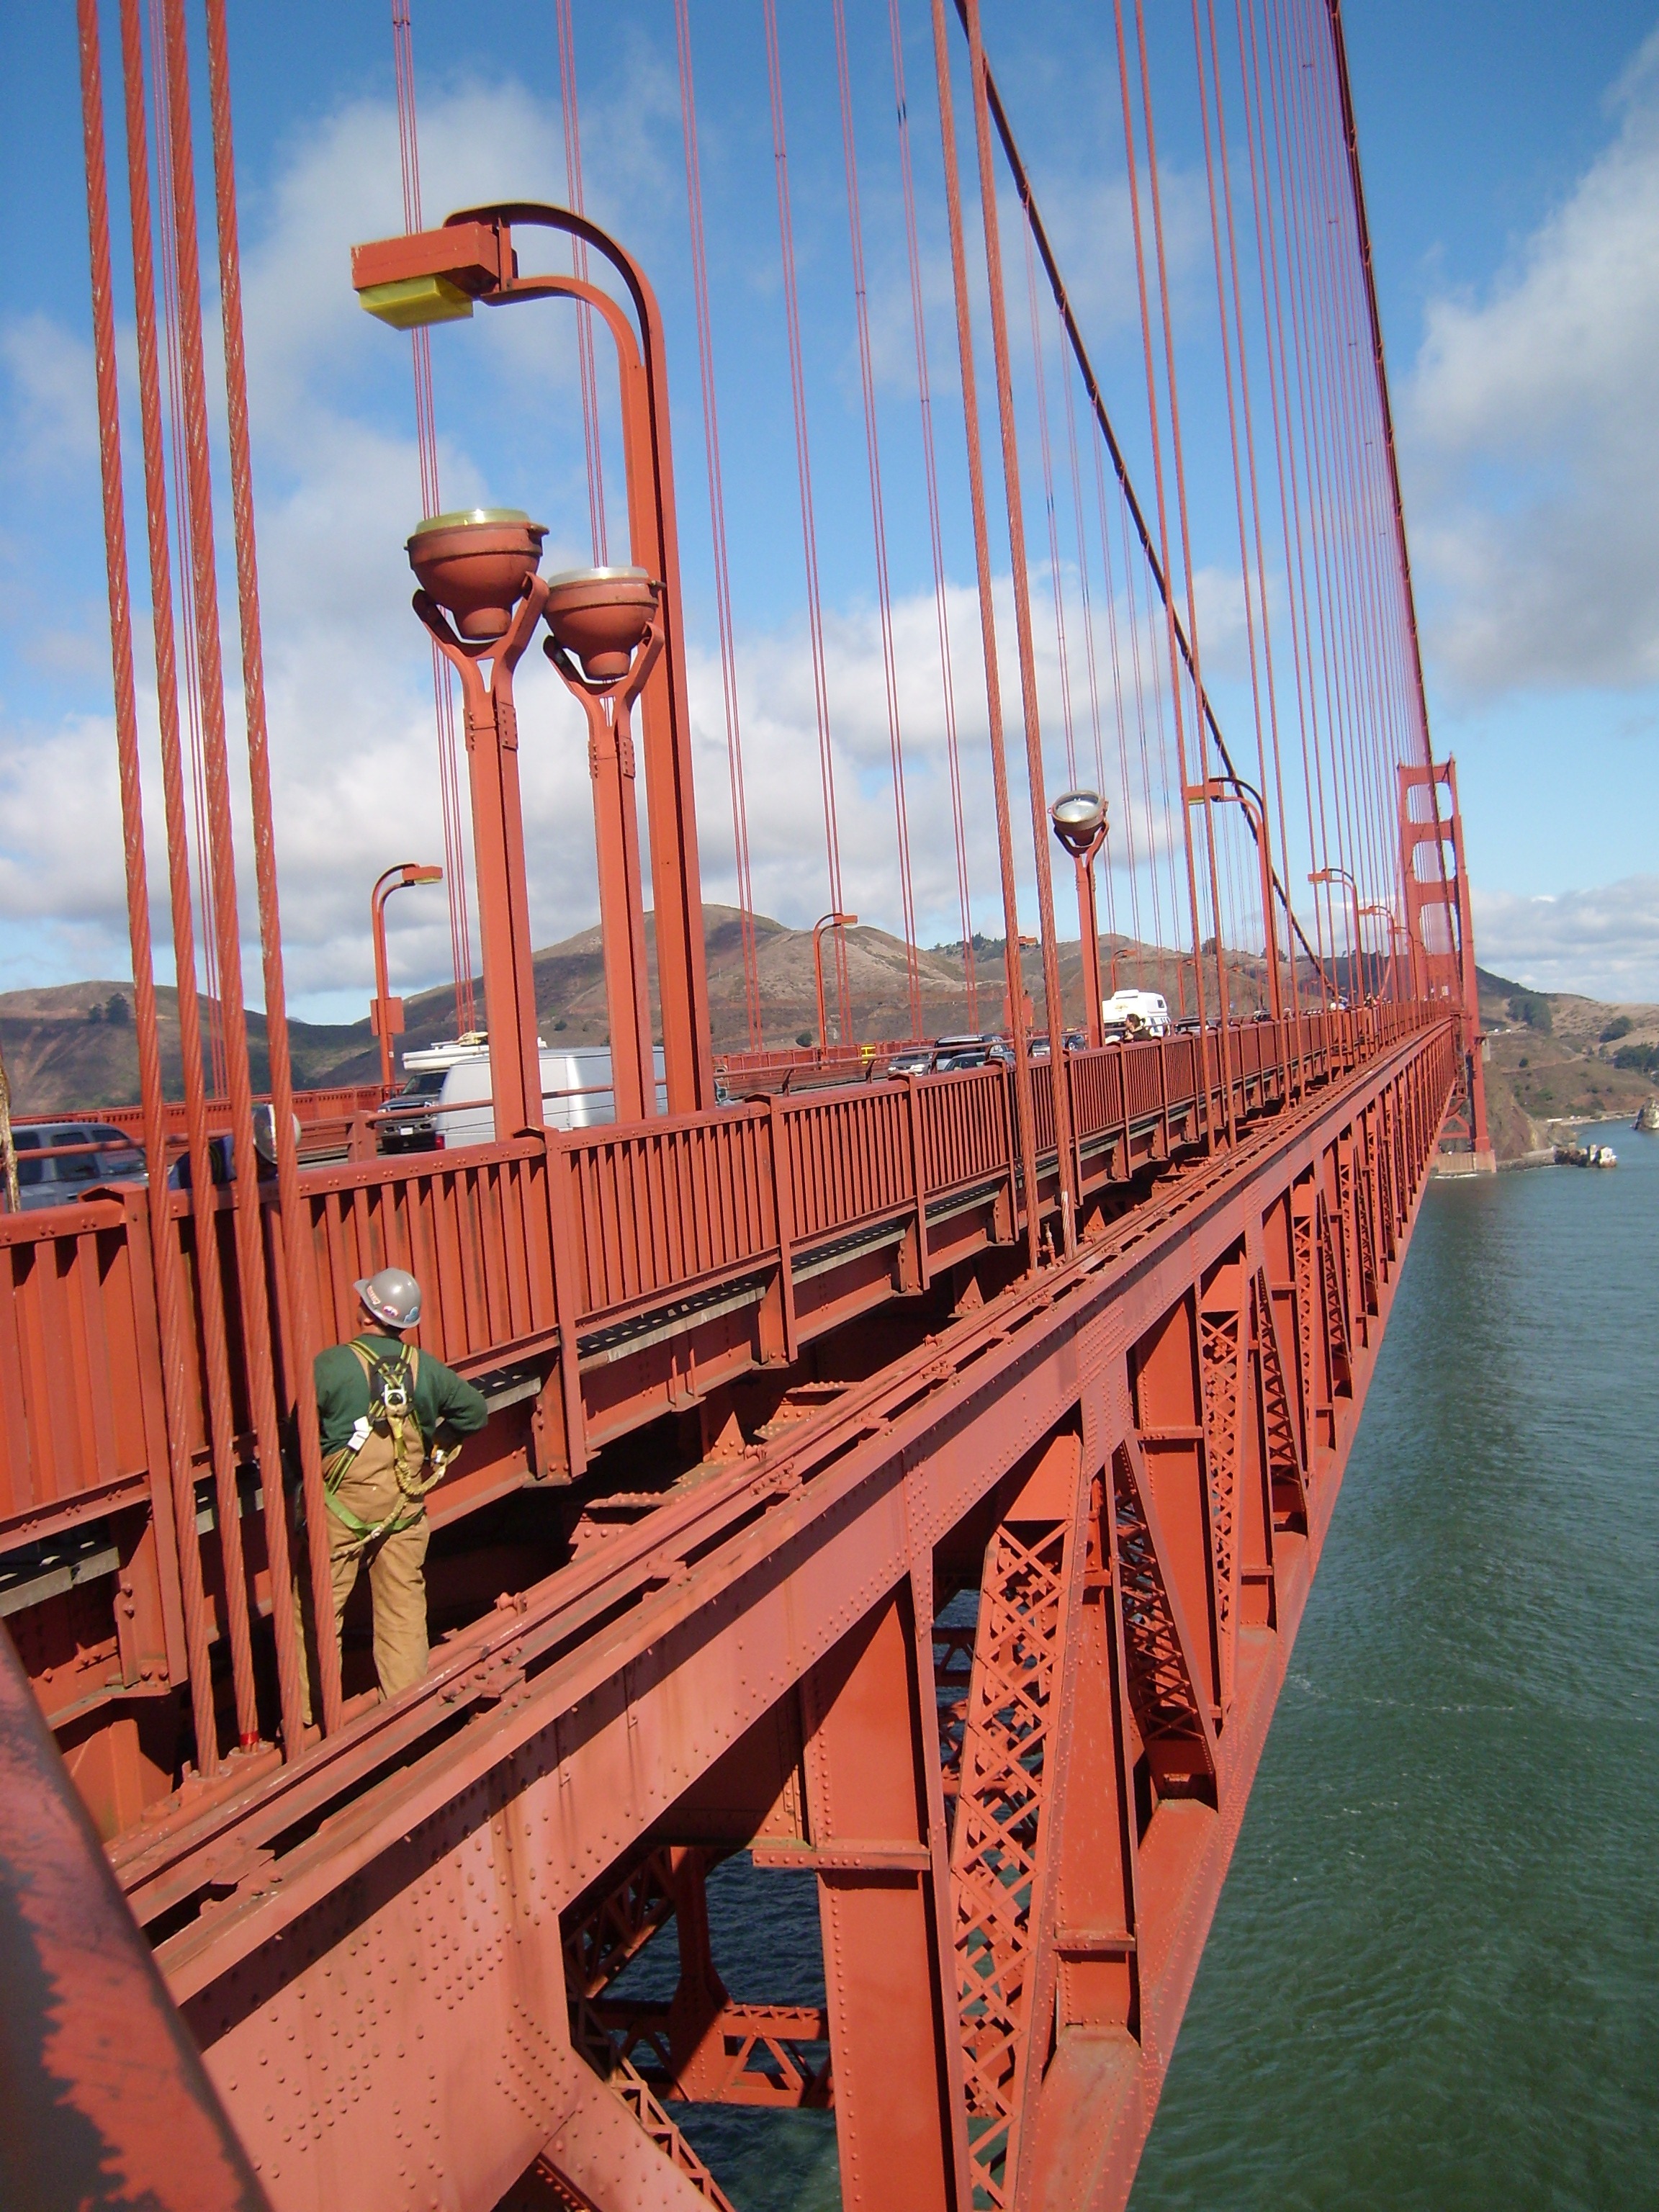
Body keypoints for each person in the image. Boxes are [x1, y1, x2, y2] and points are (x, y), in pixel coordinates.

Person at [295, 1266, 487, 1725]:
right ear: (405, 1322)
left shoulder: (331, 1366)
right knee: (402, 1604)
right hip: (403, 1504)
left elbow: (296, 1433)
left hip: (342, 1508)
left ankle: (308, 1716)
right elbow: (474, 1413)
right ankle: (405, 1711)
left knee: (318, 1609)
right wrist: (436, 1448)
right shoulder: (426, 1369)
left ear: (366, 1312)